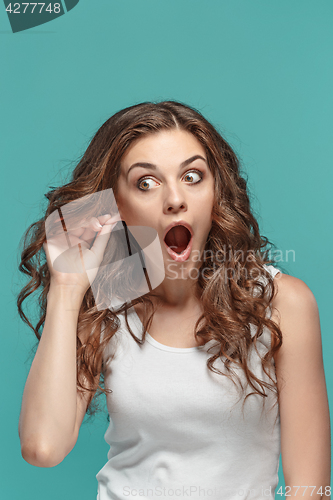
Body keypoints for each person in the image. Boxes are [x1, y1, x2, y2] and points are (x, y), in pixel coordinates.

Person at [17, 101, 331, 500]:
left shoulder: (281, 303)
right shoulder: (106, 308)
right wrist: (67, 287)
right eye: (146, 183)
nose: (175, 199)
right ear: (117, 207)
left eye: (193, 176)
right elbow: (42, 447)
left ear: (216, 192)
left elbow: (312, 489)